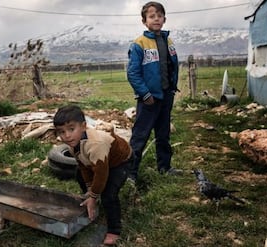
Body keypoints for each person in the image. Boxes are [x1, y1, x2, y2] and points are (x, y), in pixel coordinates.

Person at [53, 105, 132, 245]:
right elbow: (83, 165)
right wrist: (90, 189)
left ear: (83, 126)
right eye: (61, 132)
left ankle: (114, 229)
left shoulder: (96, 144)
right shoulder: (73, 143)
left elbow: (101, 174)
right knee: (79, 174)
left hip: (120, 161)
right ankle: (91, 201)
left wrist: (95, 193)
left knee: (109, 194)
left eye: (71, 129)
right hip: (98, 162)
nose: (67, 135)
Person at [126, 1, 182, 182]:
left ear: (164, 19)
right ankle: (130, 174)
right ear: (144, 21)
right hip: (149, 100)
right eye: (152, 16)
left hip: (166, 97)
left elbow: (171, 68)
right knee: (140, 137)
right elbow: (133, 74)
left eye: (159, 15)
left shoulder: (169, 41)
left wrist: (171, 91)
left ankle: (164, 168)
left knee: (163, 135)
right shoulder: (139, 44)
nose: (156, 19)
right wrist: (145, 94)